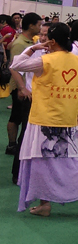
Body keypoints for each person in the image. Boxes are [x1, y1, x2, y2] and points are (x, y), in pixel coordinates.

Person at [12, 22, 78, 216]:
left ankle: (45, 204)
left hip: (43, 119)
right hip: (67, 118)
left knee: (41, 161)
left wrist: (33, 48)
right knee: (71, 159)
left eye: (46, 37)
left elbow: (16, 65)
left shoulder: (45, 60)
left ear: (52, 41)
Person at [6, 12, 41, 157]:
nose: (40, 28)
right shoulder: (20, 43)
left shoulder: (31, 42)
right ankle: (12, 145)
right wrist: (21, 88)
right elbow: (14, 67)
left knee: (21, 118)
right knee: (16, 117)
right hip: (20, 86)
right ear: (31, 26)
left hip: (26, 85)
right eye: (39, 25)